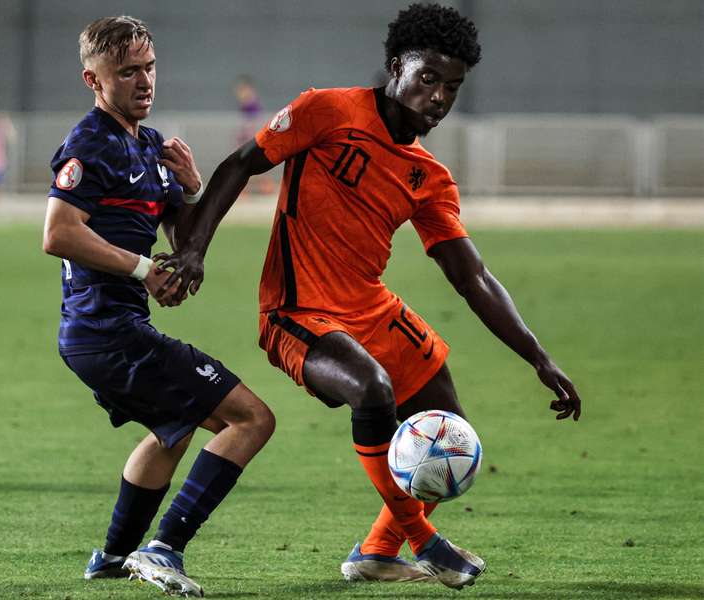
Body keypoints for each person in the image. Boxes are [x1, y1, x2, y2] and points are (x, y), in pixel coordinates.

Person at [155, 3, 581, 590]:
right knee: (373, 390)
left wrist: (537, 355)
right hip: (297, 310)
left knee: (449, 431)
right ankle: (428, 543)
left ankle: (378, 550)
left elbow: (472, 276)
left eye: (451, 87)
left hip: (372, 309)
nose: (437, 97)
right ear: (395, 66)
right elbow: (240, 165)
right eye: (427, 78)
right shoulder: (326, 110)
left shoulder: (429, 177)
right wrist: (195, 248)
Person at [41, 16, 274, 597]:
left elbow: (184, 241)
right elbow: (59, 233)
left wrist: (192, 189)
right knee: (250, 419)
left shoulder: (148, 144)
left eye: (148, 68)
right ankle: (162, 548)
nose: (144, 81)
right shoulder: (89, 143)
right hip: (106, 331)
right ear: (92, 80)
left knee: (174, 428)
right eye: (127, 72)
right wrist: (144, 270)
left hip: (109, 332)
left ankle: (114, 556)